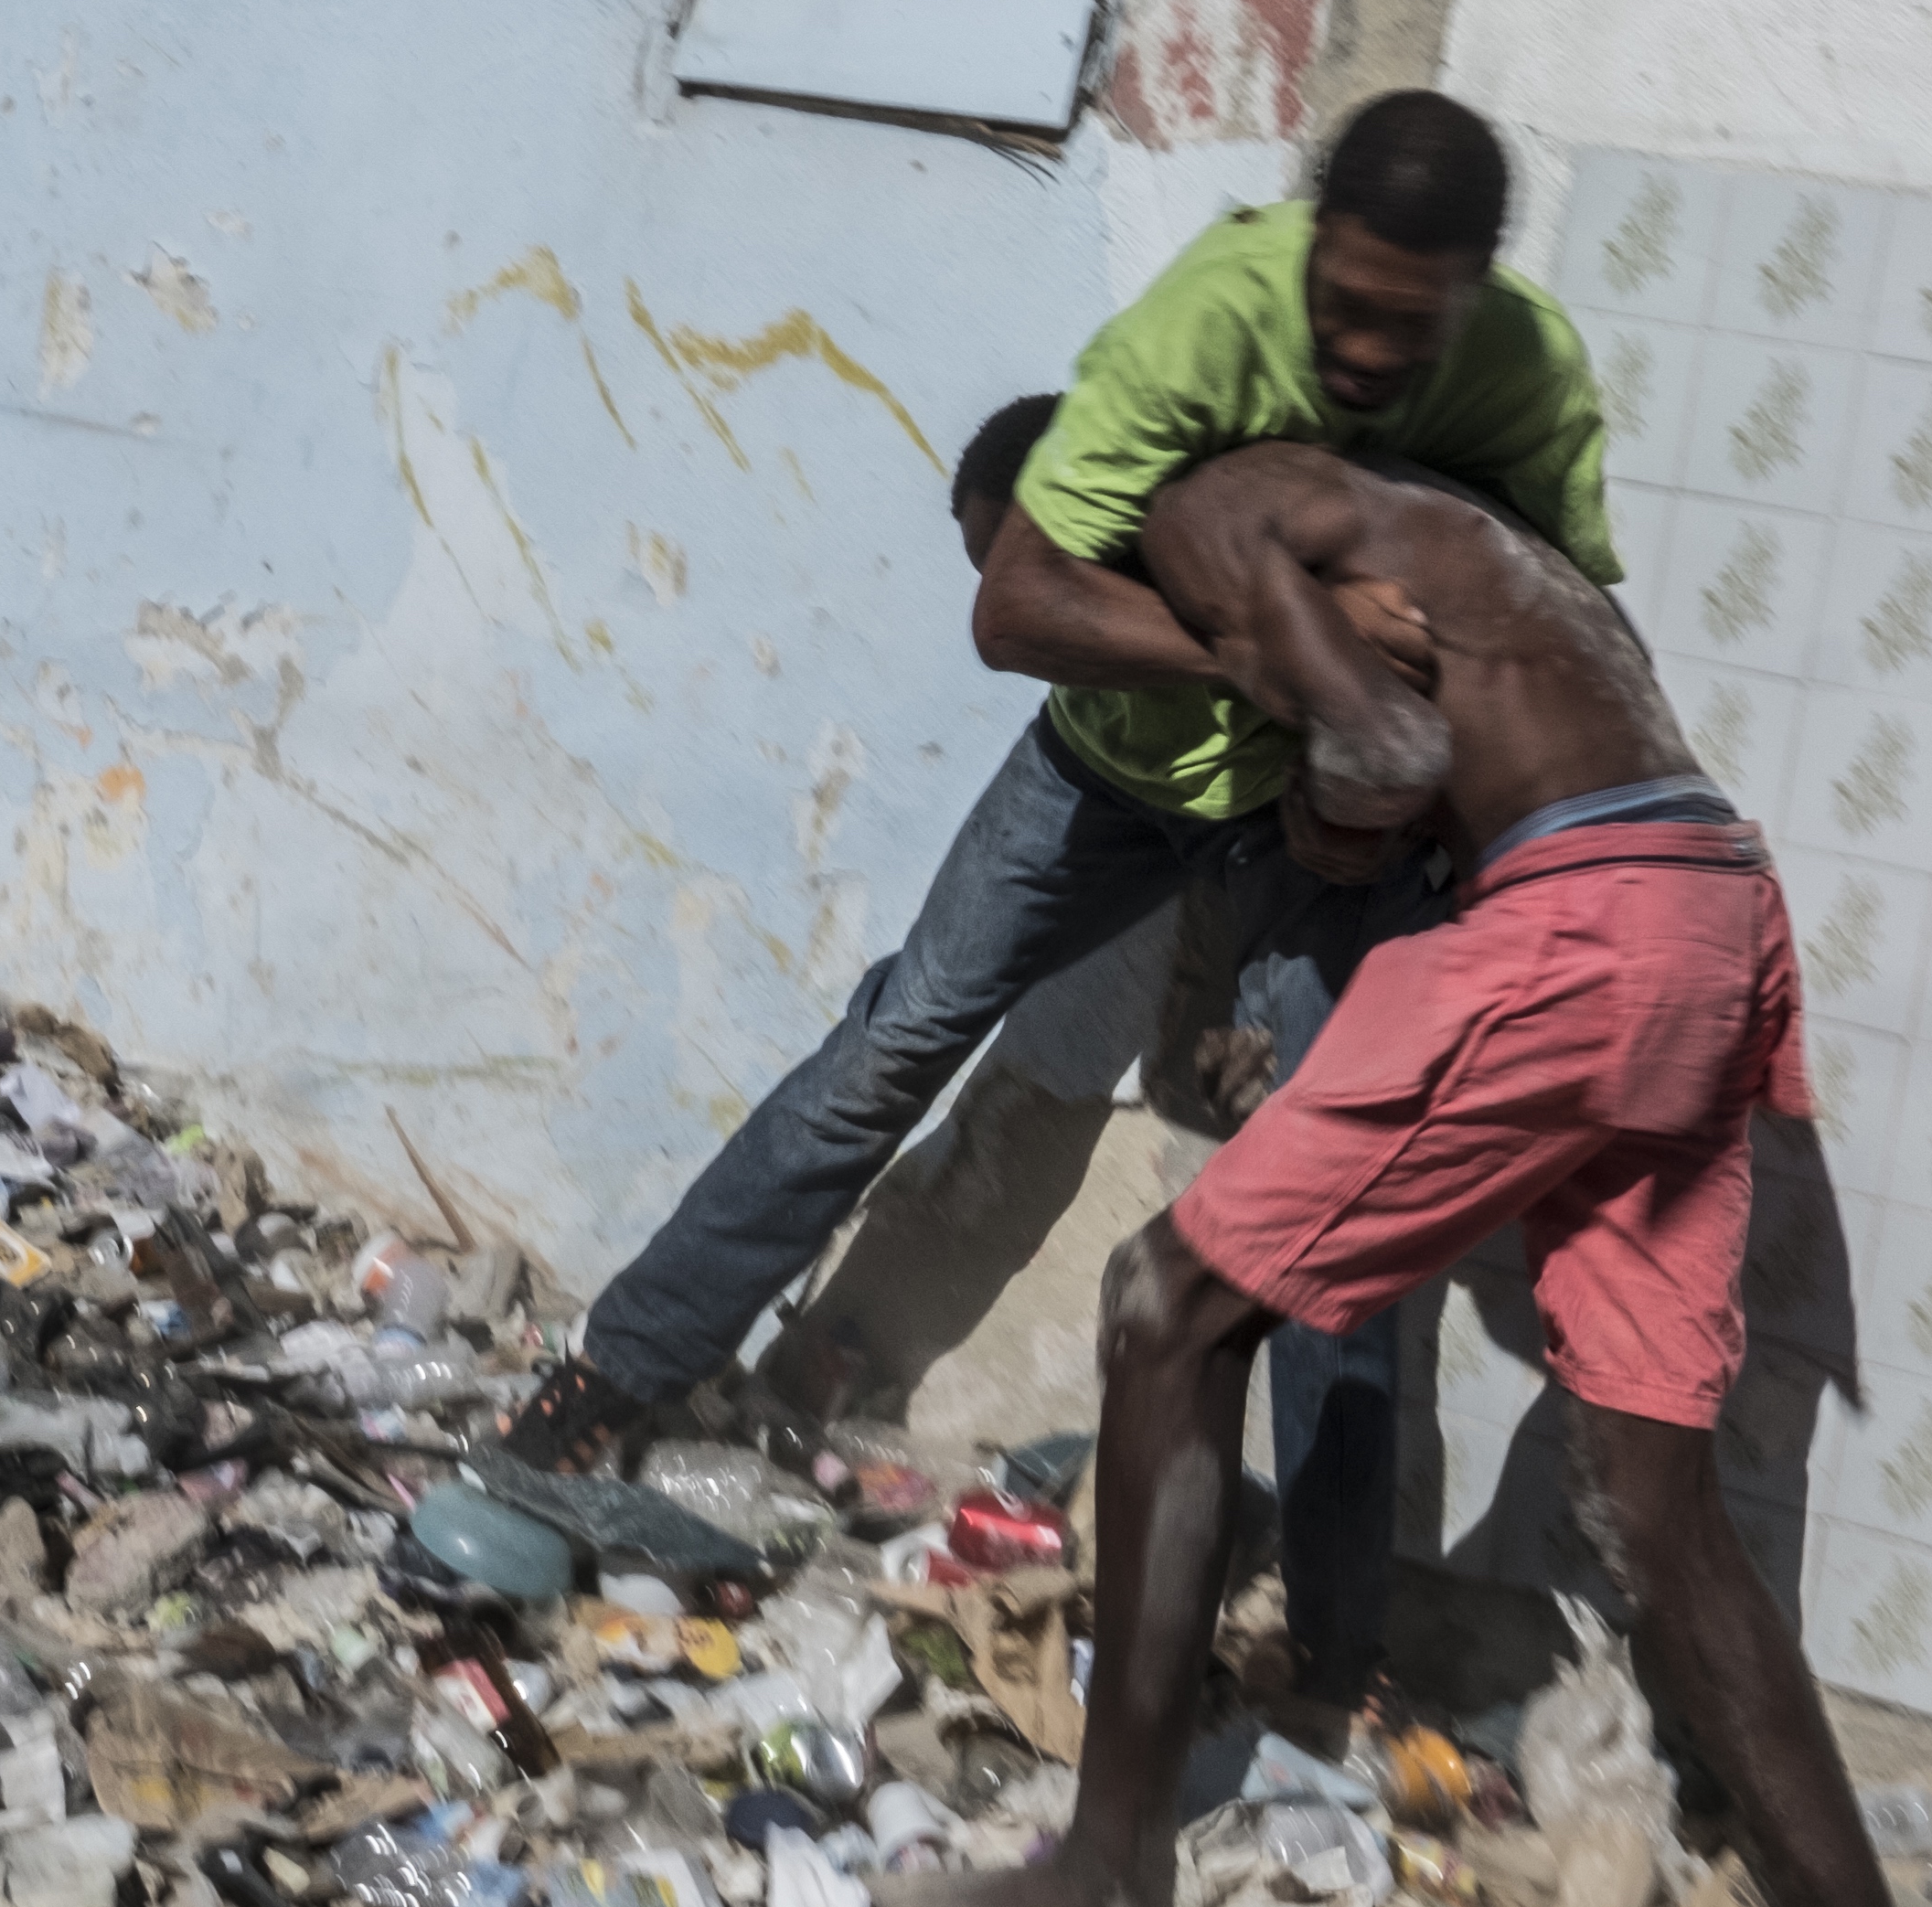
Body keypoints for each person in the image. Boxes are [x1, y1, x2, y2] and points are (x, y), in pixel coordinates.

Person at [879, 440, 1932, 1907]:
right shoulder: (1448, 548)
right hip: (1706, 914)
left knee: (1164, 1309)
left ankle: (1105, 1888)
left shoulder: (1219, 512)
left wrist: (1288, 723)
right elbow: (1404, 752)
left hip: (1578, 921)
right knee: (1657, 1511)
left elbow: (1385, 761)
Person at [502, 91, 1616, 1705]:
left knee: (1335, 1182)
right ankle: (621, 1369)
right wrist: (1254, 654)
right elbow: (1018, 607)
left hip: (1323, 824)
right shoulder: (1206, 325)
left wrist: (1425, 753)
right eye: (1346, 312)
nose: (1371, 353)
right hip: (1113, 769)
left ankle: (1335, 1642)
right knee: (896, 1045)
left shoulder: (1527, 376)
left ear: (1480, 290)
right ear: (1308, 247)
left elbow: (1555, 620)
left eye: (1414, 326)